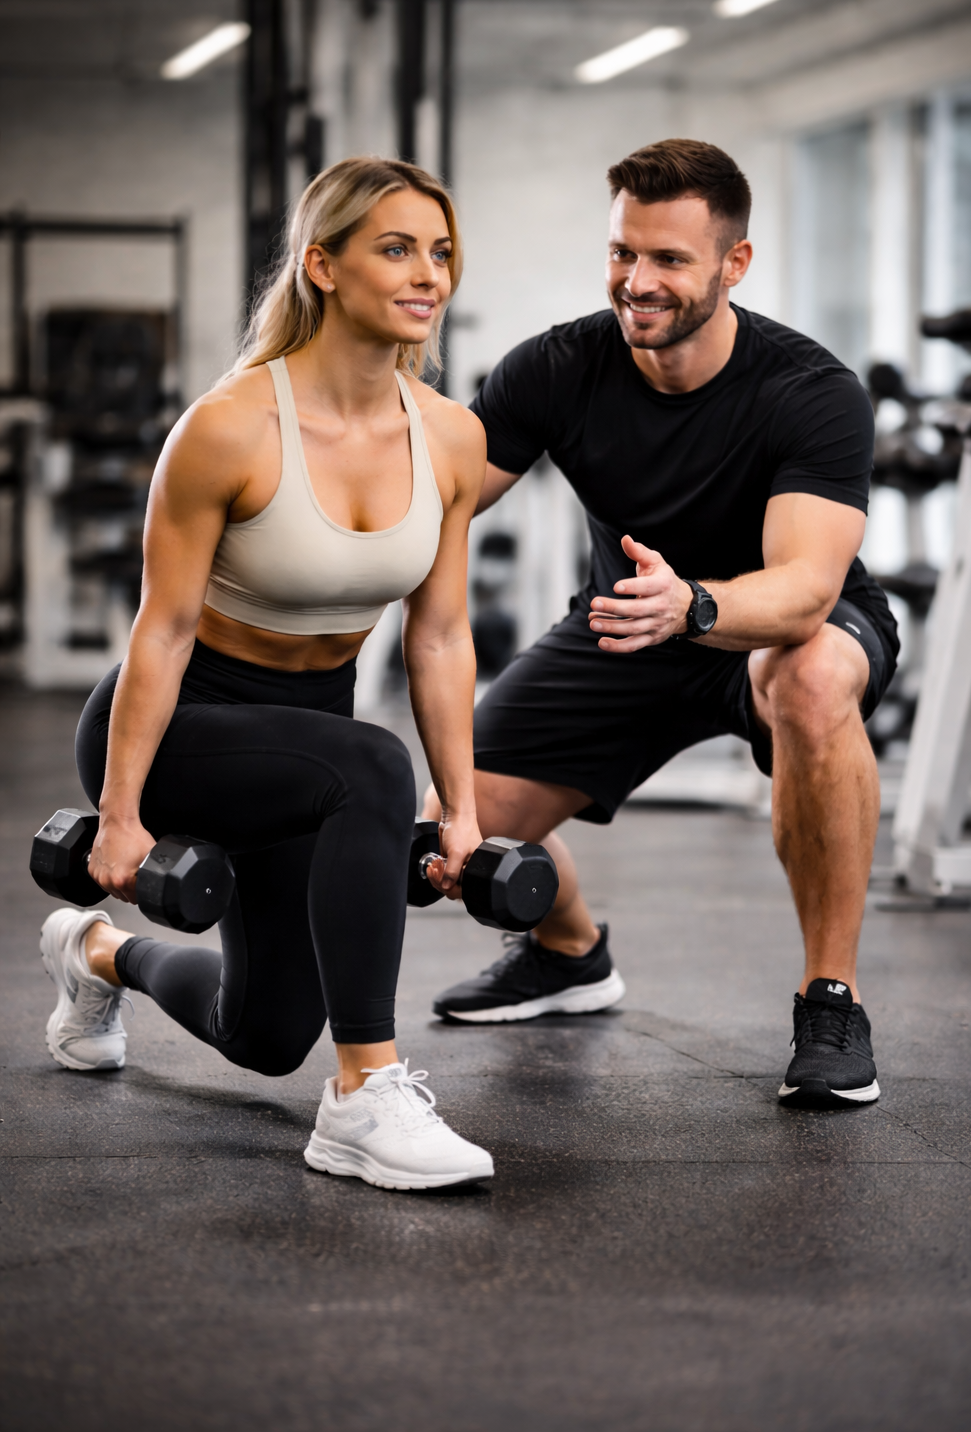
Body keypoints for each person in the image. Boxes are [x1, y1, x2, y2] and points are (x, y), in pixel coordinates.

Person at [39, 155, 495, 1190]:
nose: (427, 273)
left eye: (440, 252)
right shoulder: (230, 427)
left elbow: (439, 635)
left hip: (306, 738)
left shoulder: (454, 438)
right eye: (395, 248)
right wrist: (118, 815)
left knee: (265, 1031)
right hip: (177, 729)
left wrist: (461, 808)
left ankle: (94, 954)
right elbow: (158, 632)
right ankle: (361, 1097)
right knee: (370, 767)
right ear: (321, 265)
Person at [427, 138, 898, 1109]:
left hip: (777, 625)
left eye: (669, 260)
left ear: (734, 264)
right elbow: (431, 506)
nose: (636, 282)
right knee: (449, 829)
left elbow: (805, 591)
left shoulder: (807, 392)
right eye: (621, 253)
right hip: (628, 625)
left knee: (804, 674)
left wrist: (697, 604)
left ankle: (831, 997)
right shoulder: (555, 369)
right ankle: (567, 953)